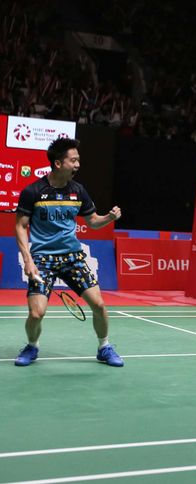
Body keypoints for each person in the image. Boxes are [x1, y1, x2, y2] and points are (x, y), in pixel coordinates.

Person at [14, 138, 124, 367]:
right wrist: (28, 260)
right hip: (42, 259)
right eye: (73, 160)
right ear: (57, 163)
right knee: (36, 314)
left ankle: (104, 346)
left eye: (78, 160)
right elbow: (20, 226)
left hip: (72, 257)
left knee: (99, 305)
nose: (77, 165)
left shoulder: (78, 191)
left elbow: (93, 221)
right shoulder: (33, 191)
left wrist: (109, 218)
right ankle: (32, 346)